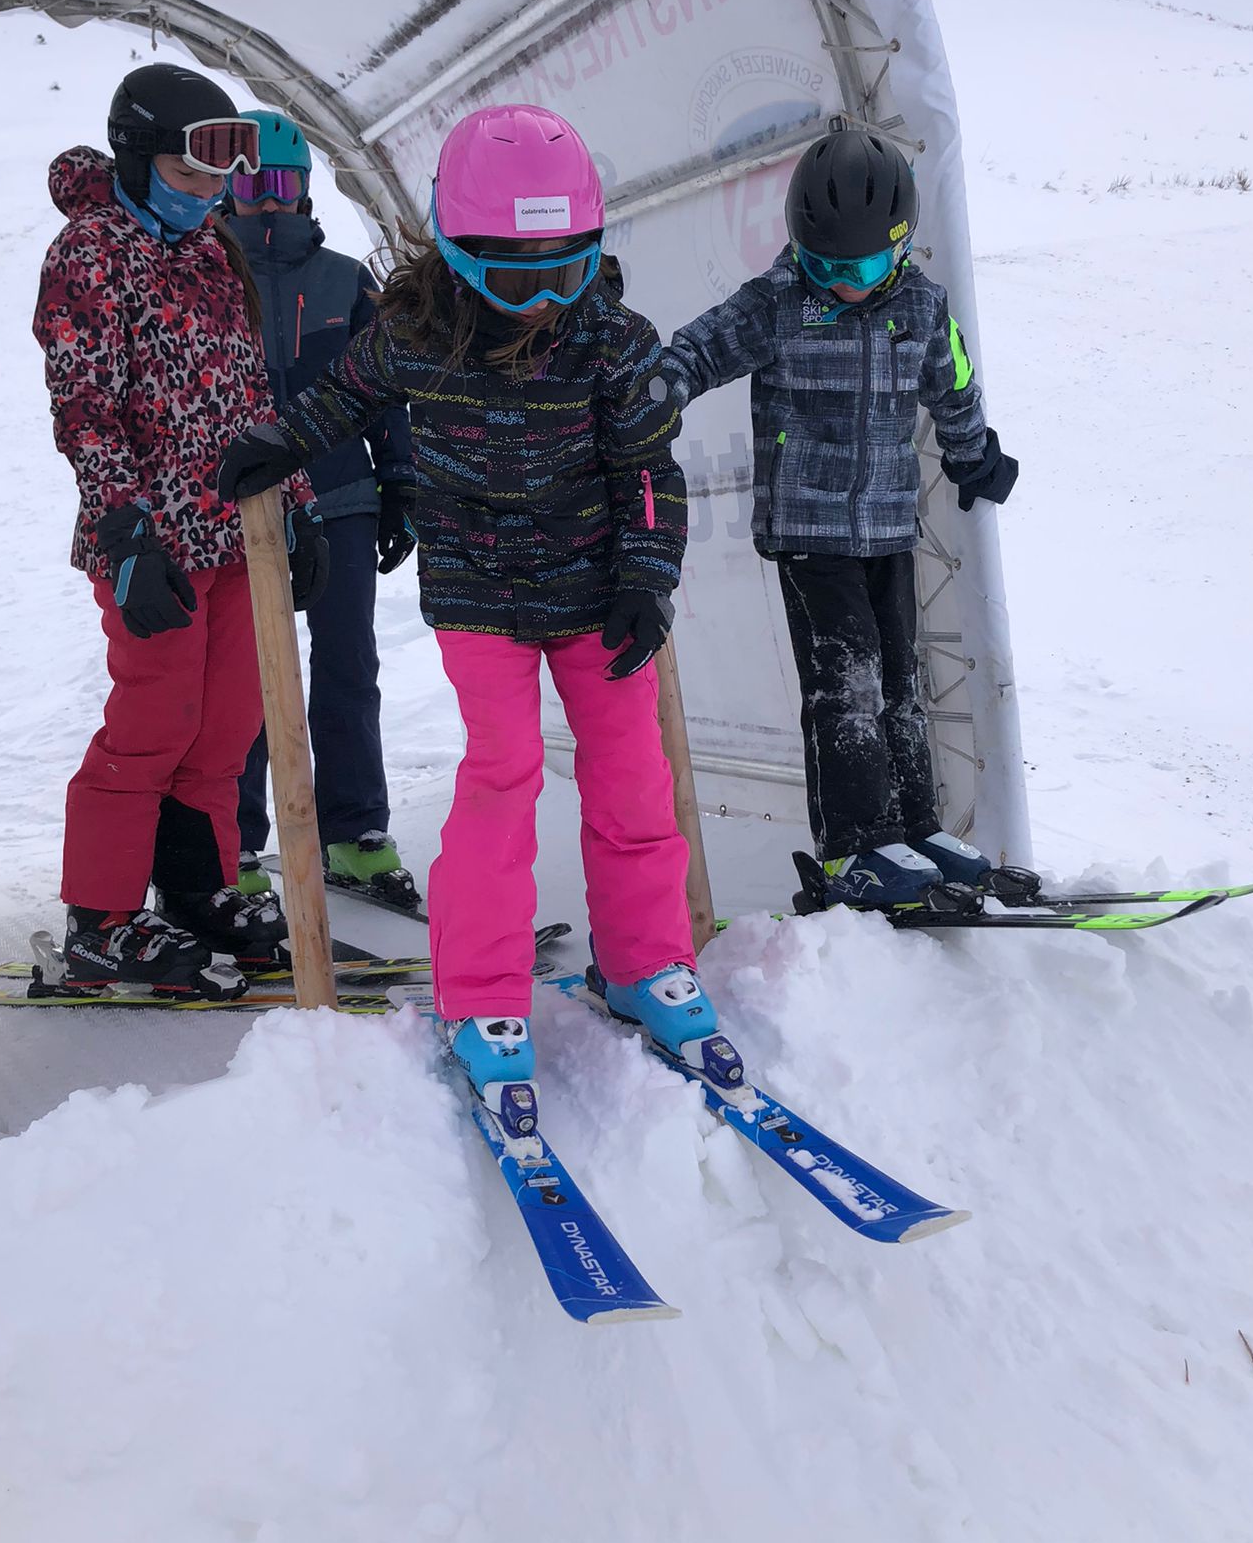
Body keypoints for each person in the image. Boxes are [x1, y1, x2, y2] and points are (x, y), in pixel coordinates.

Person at [216, 104, 739, 1127]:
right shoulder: (415, 333)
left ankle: (645, 961)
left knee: (633, 772)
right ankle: (484, 994)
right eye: (512, 277)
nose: (540, 301)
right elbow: (344, 397)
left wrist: (646, 576)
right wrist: (282, 439)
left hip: (596, 589)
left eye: (563, 272)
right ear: (457, 257)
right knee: (503, 773)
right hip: (479, 593)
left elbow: (647, 471)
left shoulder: (613, 342)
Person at [661, 128, 1019, 911]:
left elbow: (954, 386)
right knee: (845, 686)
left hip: (887, 523)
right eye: (823, 265)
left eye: (859, 269)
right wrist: (658, 389)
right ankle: (854, 848)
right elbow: (699, 349)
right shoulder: (780, 301)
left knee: (898, 683)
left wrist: (973, 456)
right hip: (808, 529)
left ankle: (914, 828)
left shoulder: (921, 306)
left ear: (901, 247)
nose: (841, 283)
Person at [34, 64, 330, 993]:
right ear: (134, 157)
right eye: (186, 171)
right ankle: (101, 917)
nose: (205, 192)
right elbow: (84, 409)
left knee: (226, 726)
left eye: (217, 177)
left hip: (238, 534)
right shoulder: (89, 251)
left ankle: (198, 889)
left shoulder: (211, 251)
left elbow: (251, 397)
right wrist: (125, 532)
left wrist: (300, 505)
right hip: (150, 541)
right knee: (153, 723)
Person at [222, 109, 419, 912]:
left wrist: (400, 482)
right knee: (244, 677)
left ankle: (354, 832)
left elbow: (387, 389)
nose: (268, 201)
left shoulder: (346, 281)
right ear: (227, 191)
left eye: (281, 183)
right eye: (251, 185)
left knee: (347, 666)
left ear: (304, 189)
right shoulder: (207, 279)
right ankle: (231, 844)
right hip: (241, 512)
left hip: (339, 500)